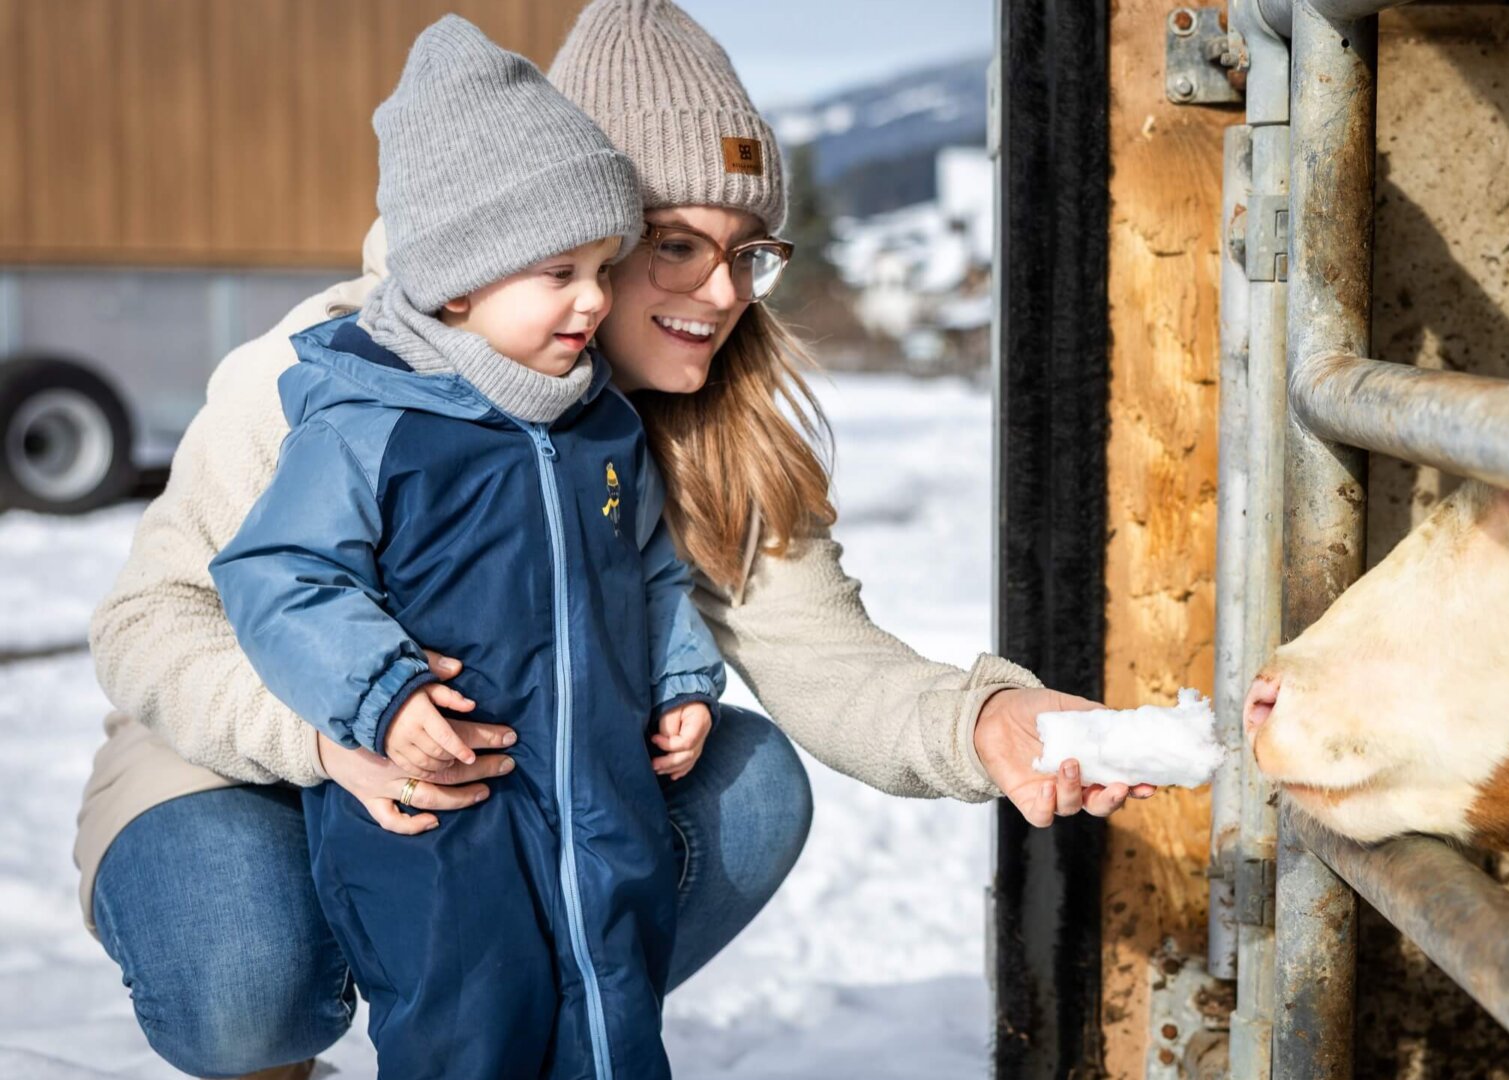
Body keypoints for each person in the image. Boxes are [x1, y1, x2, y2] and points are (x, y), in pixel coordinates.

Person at [79, 2, 1154, 1076]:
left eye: (749, 253)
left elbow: (827, 662)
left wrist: (990, 723)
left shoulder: (708, 422)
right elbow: (149, 621)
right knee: (243, 987)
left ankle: (541, 1026)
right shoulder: (337, 379)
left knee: (750, 785)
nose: (724, 292)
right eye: (676, 244)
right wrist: (328, 737)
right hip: (244, 755)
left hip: (512, 783)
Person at [207, 18, 711, 1078]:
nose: (593, 299)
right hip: (442, 811)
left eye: (604, 266)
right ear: (457, 287)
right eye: (558, 272)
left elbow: (650, 563)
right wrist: (381, 694)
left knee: (613, 999)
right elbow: (280, 574)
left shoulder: (601, 425)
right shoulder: (369, 425)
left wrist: (678, 673)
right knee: (465, 1020)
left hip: (596, 790)